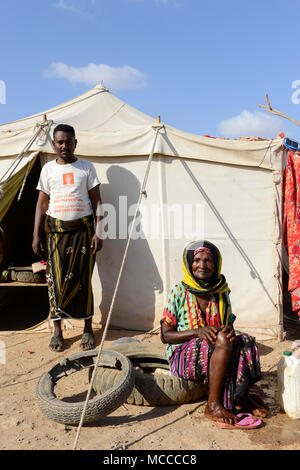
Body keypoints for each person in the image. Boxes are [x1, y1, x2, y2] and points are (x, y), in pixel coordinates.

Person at [160, 240, 268, 428]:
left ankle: (240, 397)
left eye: (208, 260)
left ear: (216, 264)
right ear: (189, 264)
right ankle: (213, 405)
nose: (202, 265)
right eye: (197, 260)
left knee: (246, 341)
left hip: (216, 347)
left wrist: (231, 332)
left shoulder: (221, 292)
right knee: (220, 340)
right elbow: (165, 336)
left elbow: (227, 327)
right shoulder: (179, 291)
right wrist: (197, 332)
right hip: (182, 355)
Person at [32, 124, 102, 352]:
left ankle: (88, 329)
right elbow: (42, 203)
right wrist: (36, 234)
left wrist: (99, 231)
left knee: (83, 280)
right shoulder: (48, 170)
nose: (64, 145)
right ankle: (57, 332)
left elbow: (97, 202)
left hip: (83, 232)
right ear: (54, 144)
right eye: (60, 142)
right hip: (55, 233)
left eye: (68, 141)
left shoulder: (86, 168)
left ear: (75, 143)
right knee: (55, 281)